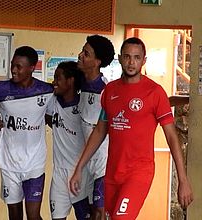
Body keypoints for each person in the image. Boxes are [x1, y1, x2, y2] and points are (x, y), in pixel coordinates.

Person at [70, 37, 194, 219]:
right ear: (120, 58)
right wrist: (79, 168)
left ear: (144, 60)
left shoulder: (155, 93)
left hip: (138, 173)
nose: (131, 62)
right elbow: (100, 131)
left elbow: (171, 137)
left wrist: (183, 180)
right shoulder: (110, 91)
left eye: (136, 57)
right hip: (112, 173)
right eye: (127, 57)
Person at [0, 46, 54, 220]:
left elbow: (54, 120)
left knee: (33, 215)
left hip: (35, 162)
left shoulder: (46, 91)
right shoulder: (0, 89)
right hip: (9, 163)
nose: (14, 70)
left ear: (32, 68)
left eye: (19, 67)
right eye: (13, 65)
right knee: (14, 215)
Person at [46, 61, 91, 220]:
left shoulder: (84, 105)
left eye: (58, 78)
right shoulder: (52, 101)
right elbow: (40, 116)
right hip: (59, 175)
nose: (54, 82)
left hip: (81, 174)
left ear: (70, 81)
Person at [77, 35, 115, 219]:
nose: (80, 56)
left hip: (103, 163)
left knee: (100, 212)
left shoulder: (106, 91)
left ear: (97, 62)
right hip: (86, 164)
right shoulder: (79, 83)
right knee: (89, 213)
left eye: (86, 53)